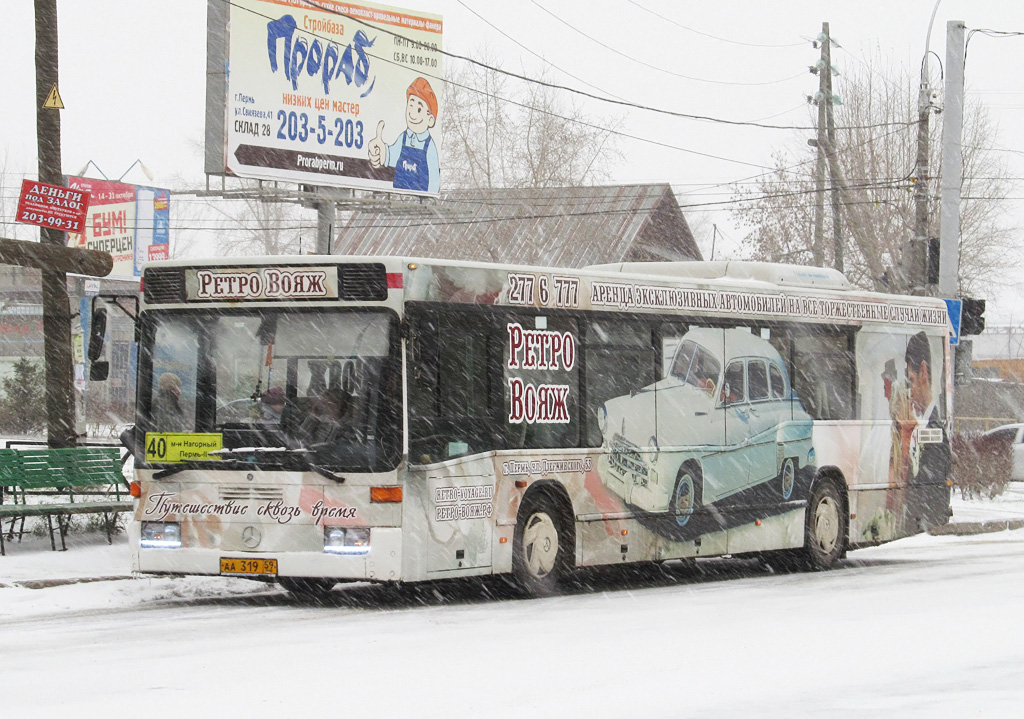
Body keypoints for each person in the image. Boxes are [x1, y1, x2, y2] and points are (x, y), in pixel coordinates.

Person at [903, 331, 951, 530]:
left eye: (911, 381)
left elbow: (930, 484)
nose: (909, 394)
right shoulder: (925, 424)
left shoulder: (934, 430)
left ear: (924, 372)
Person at [367, 77, 440, 193]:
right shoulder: (403, 138)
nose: (412, 114)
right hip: (399, 197)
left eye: (419, 109)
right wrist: (381, 151)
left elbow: (434, 179)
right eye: (410, 106)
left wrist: (430, 198)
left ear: (430, 120)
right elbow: (391, 155)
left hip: (419, 202)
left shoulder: (430, 147)